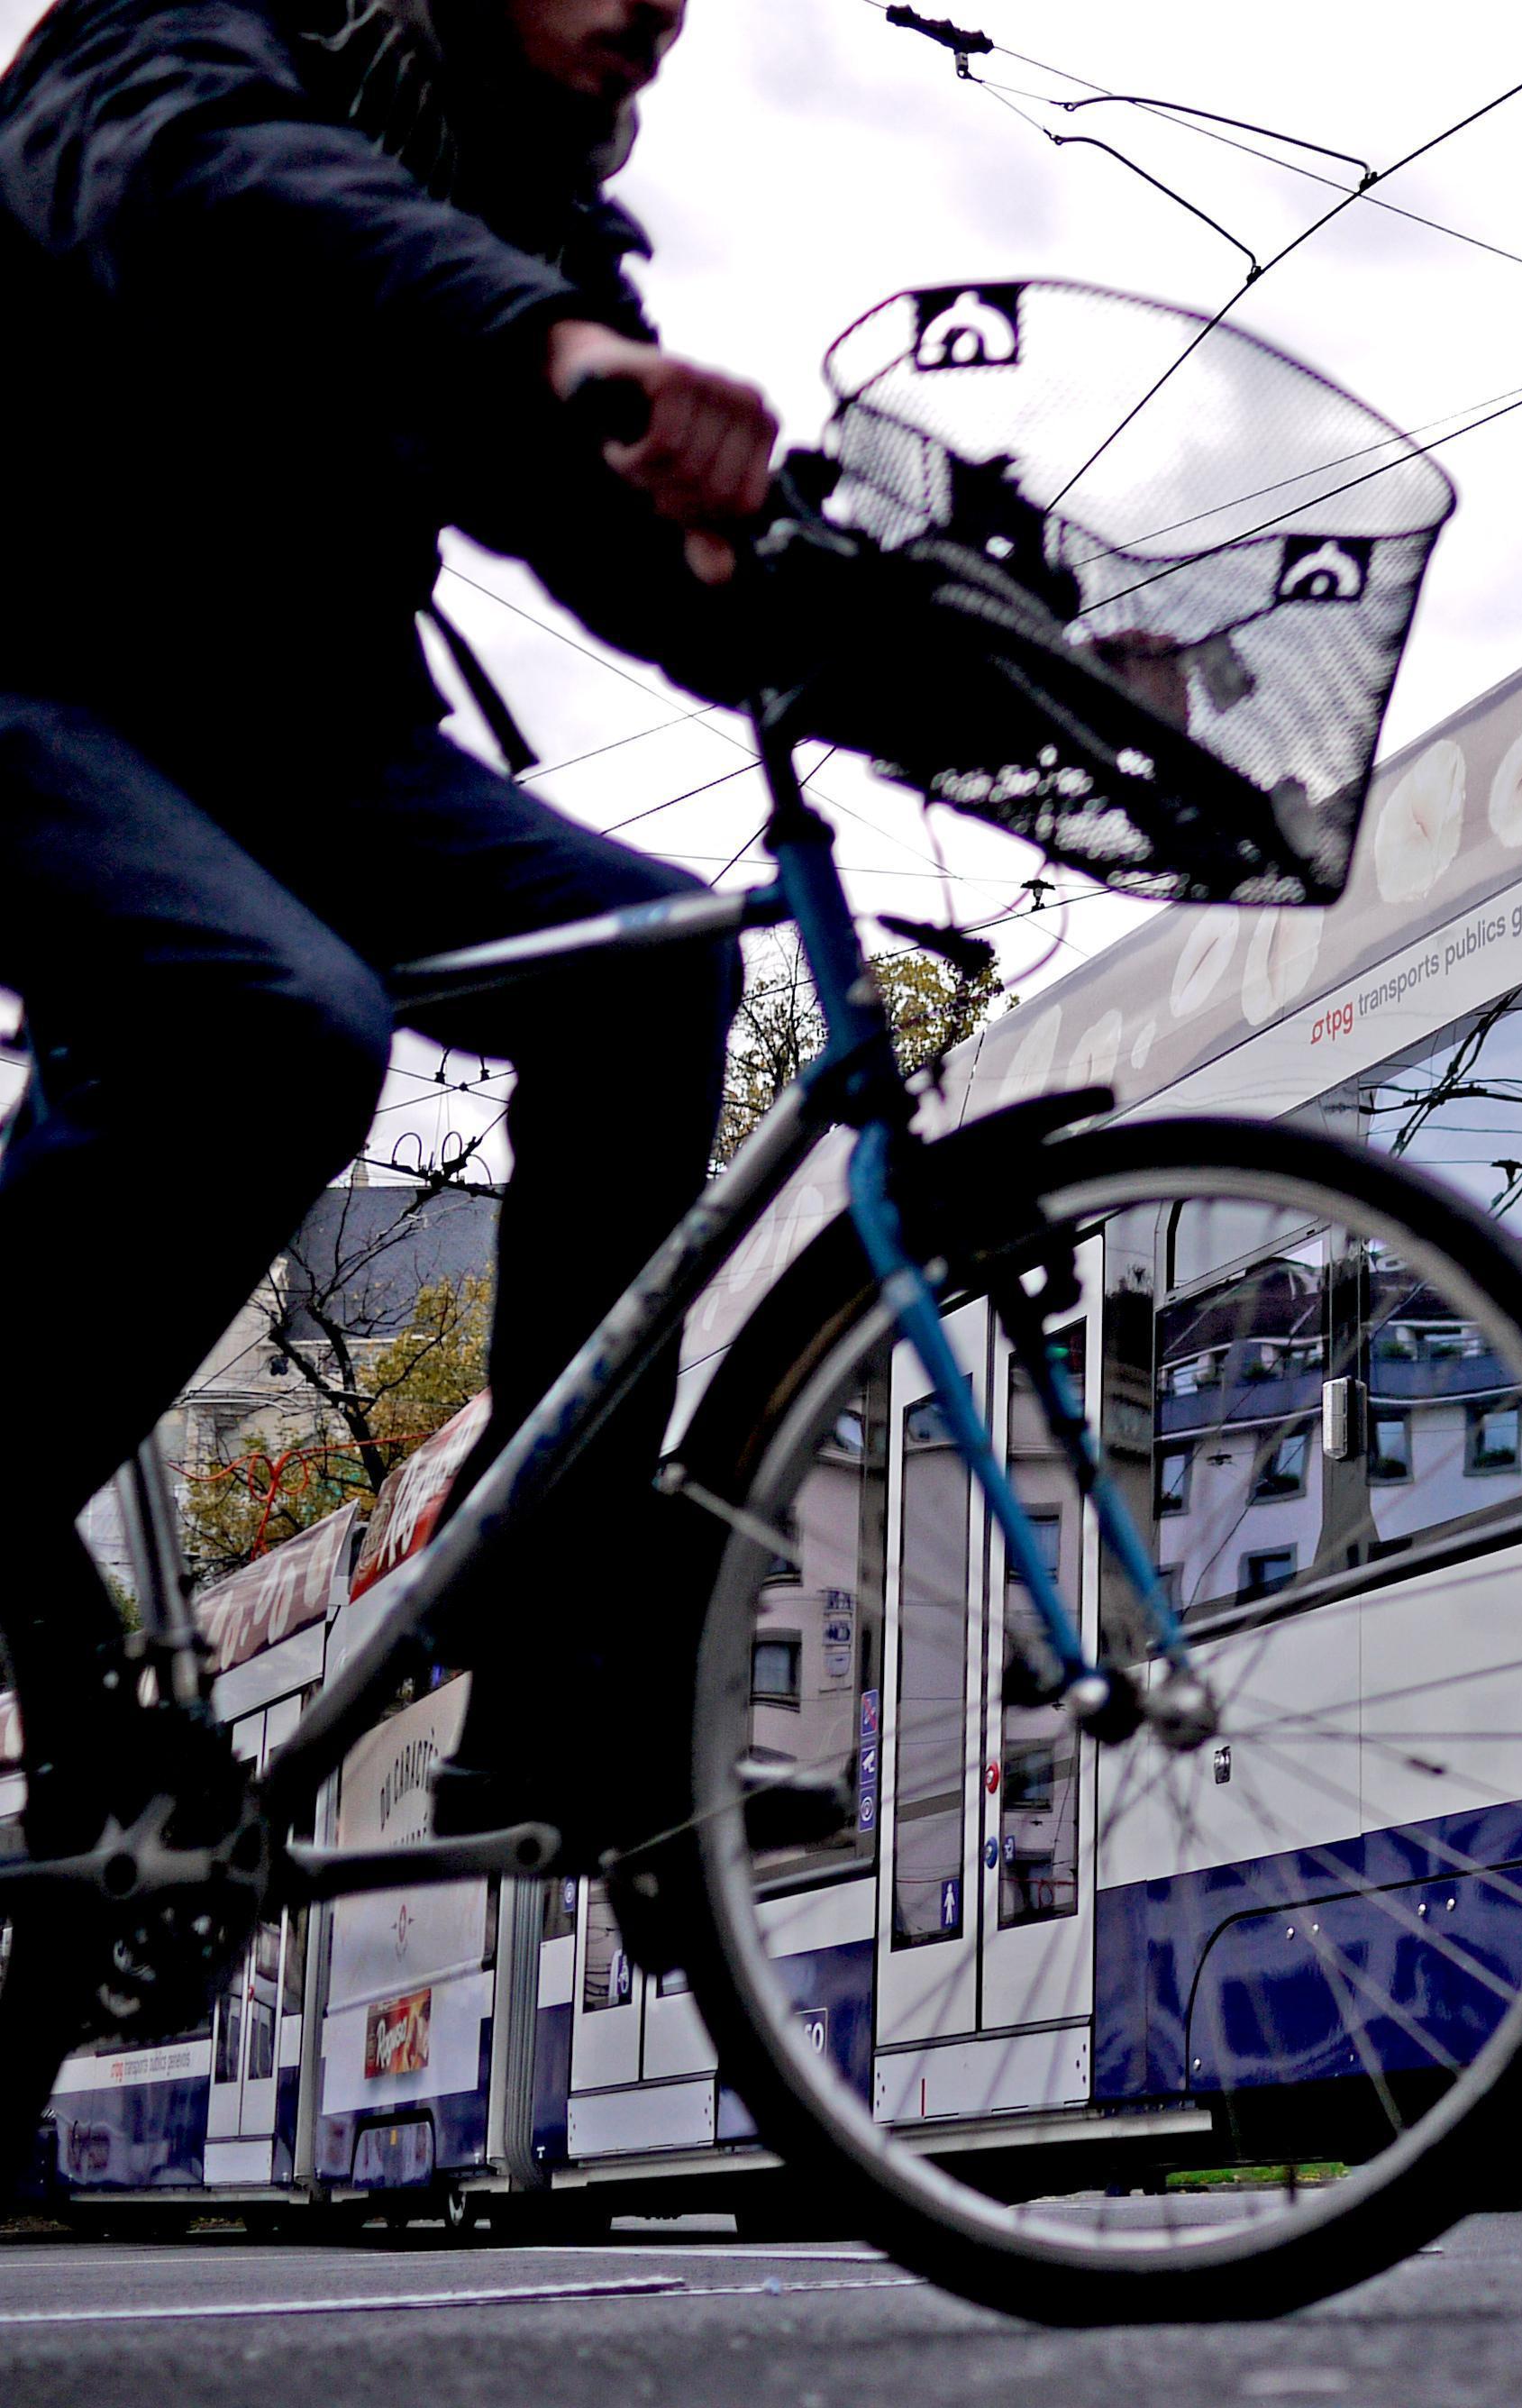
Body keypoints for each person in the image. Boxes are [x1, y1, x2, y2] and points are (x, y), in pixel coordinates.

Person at [0, 0, 778, 1860]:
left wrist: (1019, 685)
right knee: (266, 1022)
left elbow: (626, 541)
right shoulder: (200, 28)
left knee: (653, 960)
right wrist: (543, 333)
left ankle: (549, 1678)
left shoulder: (529, 220)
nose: (663, 6)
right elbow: (205, 182)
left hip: (296, 736)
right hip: (32, 659)